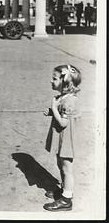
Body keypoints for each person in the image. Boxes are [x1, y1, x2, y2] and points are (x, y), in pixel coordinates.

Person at [43, 64, 82, 211]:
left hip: (67, 141)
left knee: (67, 169)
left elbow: (64, 123)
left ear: (65, 82)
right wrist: (52, 111)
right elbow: (60, 115)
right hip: (62, 139)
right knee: (61, 165)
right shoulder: (62, 97)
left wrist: (54, 108)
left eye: (54, 79)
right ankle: (64, 190)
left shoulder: (69, 101)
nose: (51, 81)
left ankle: (67, 199)